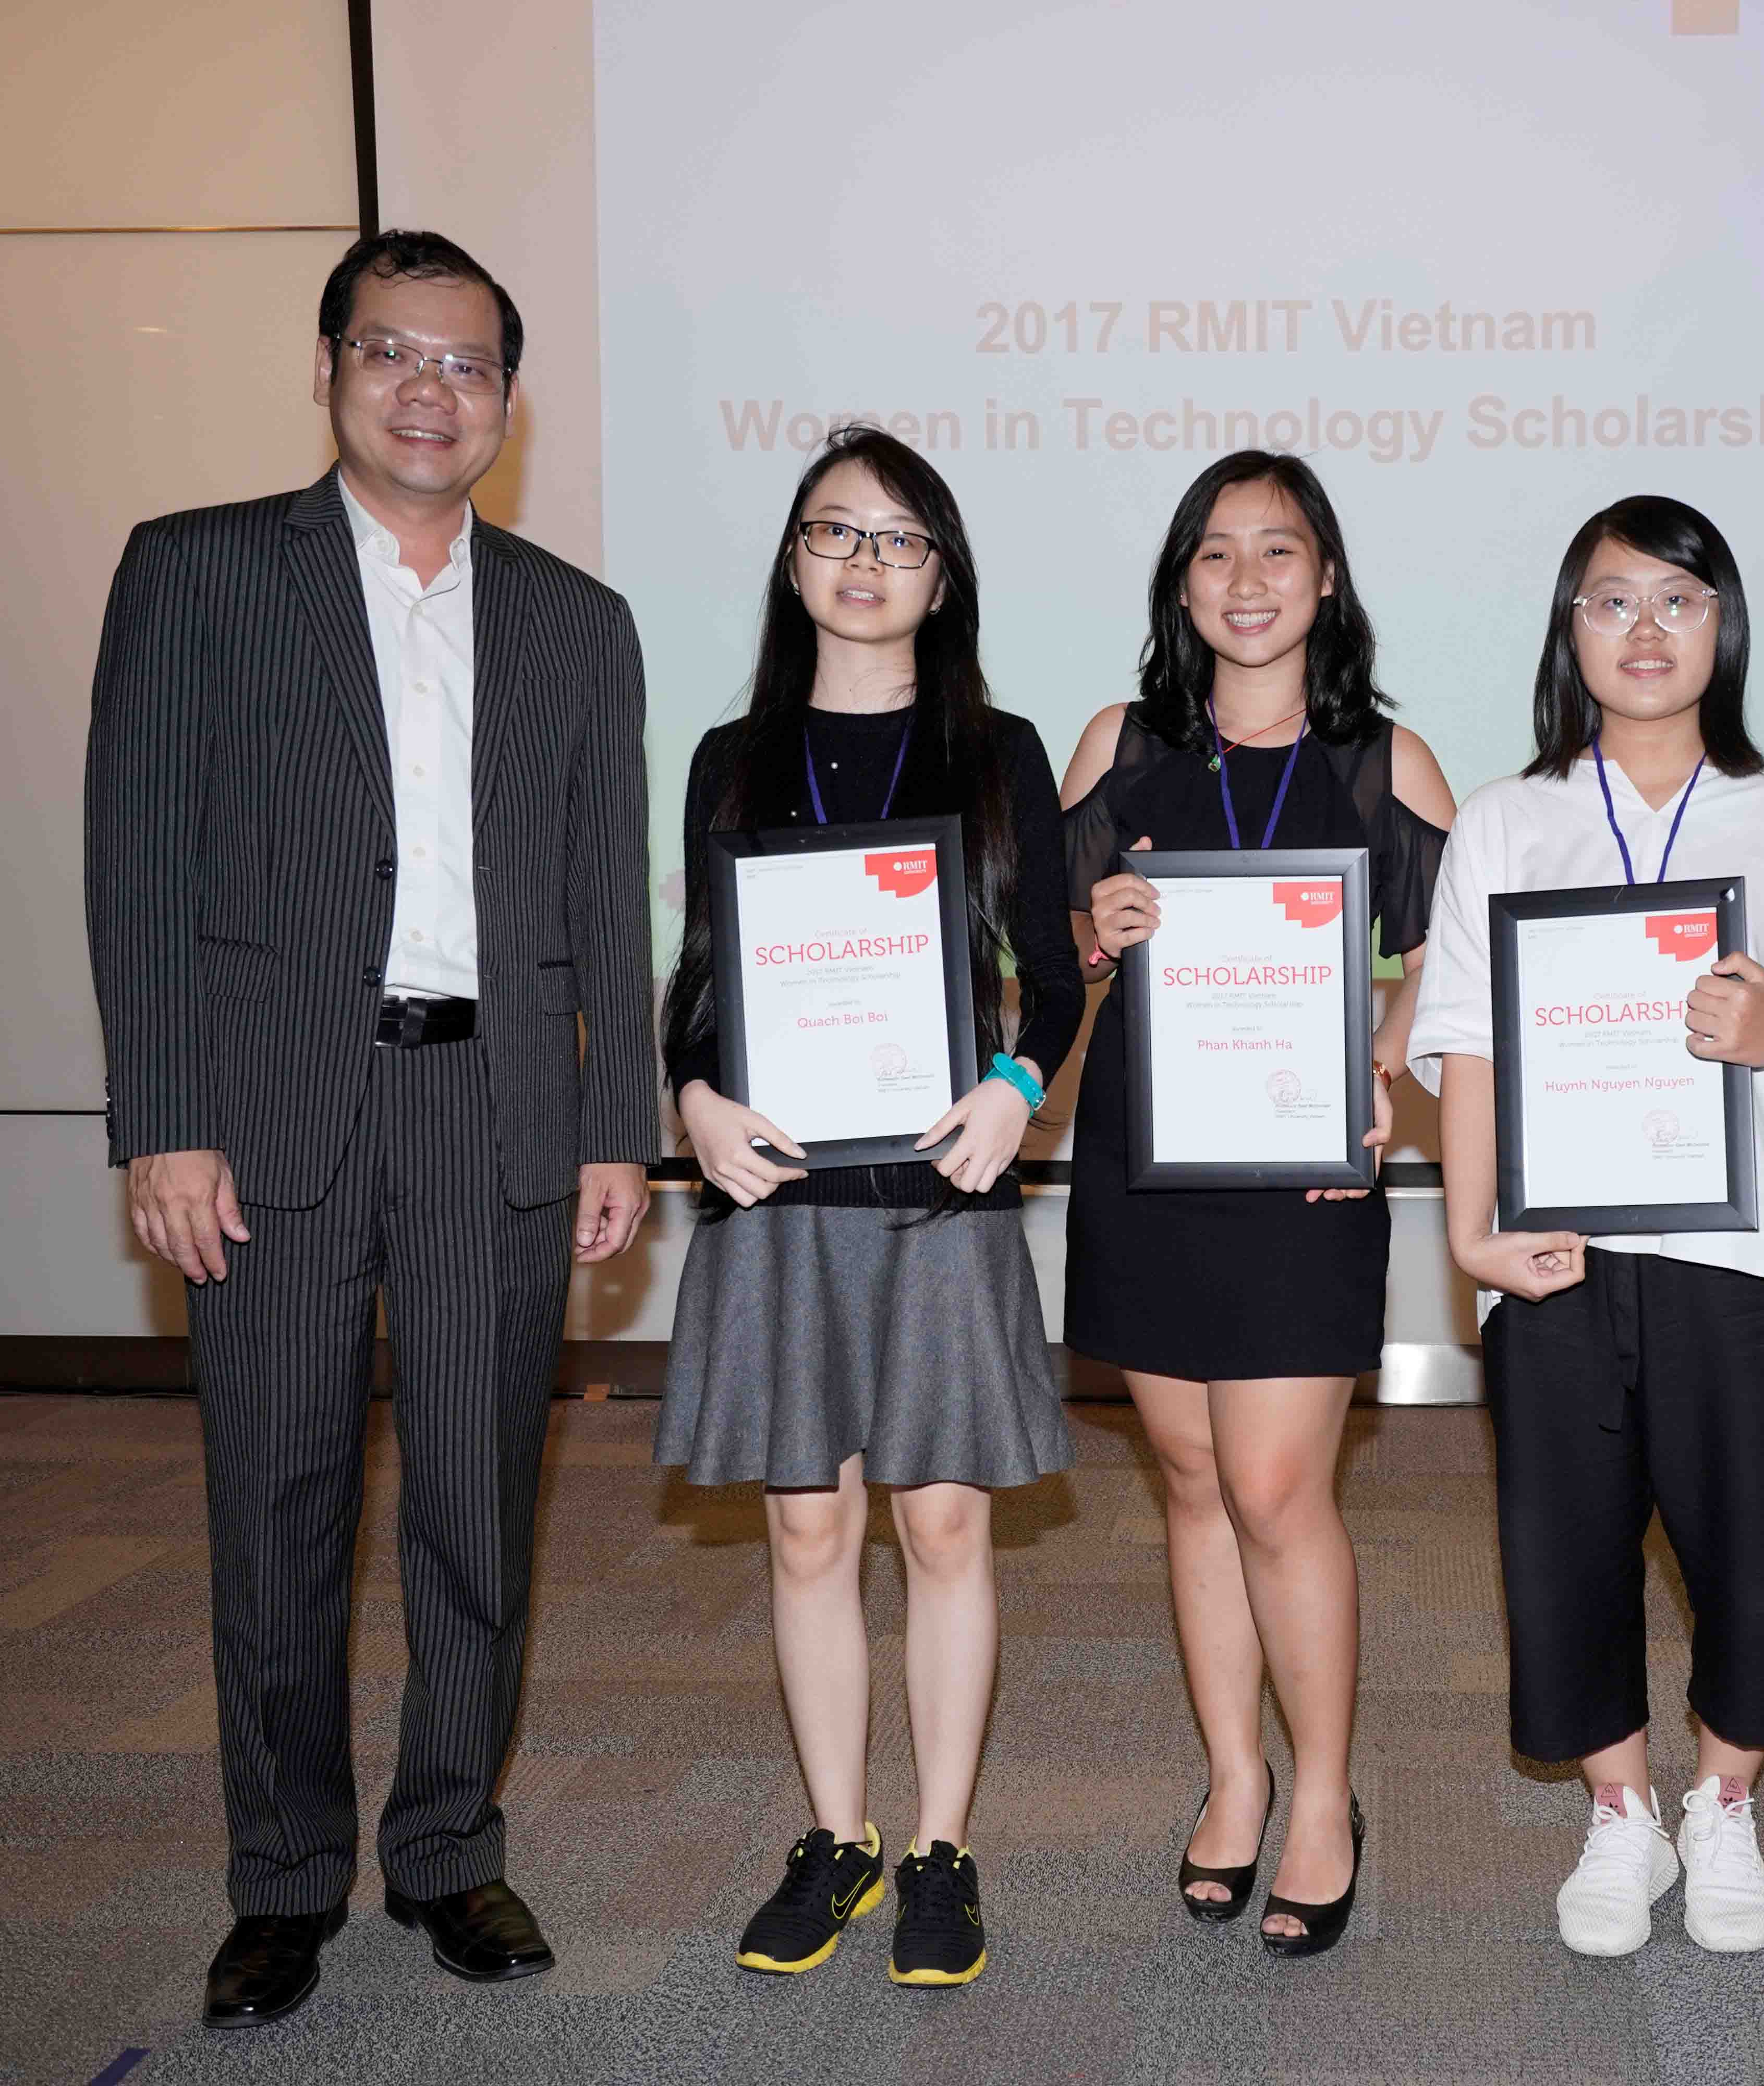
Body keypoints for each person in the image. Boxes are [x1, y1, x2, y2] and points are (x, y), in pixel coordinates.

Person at [83, 229, 655, 2030]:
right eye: (394, 352)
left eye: (470, 363)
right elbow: (138, 861)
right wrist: (164, 1118)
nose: (432, 390)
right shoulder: (196, 575)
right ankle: (280, 1881)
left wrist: (614, 1124)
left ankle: (447, 1851)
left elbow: (603, 900)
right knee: (277, 1501)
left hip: (496, 1109)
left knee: (482, 1504)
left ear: (510, 397)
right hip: (264, 1117)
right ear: (329, 368)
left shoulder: (577, 618)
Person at [1406, 496, 1764, 1959]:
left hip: (1744, 1255)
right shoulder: (1507, 818)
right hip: (1557, 1251)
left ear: (1721, 629)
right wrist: (1470, 1238)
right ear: (1572, 632)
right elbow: (1468, 1040)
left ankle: (1725, 1803)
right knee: (1563, 1539)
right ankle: (1620, 1813)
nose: (1647, 631)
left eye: (1679, 601)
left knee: (1750, 1538)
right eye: (1613, 602)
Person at [656, 426, 1082, 1990]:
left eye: (901, 540)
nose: (864, 562)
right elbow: (703, 984)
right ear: (792, 562)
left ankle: (941, 1846)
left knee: (948, 1520)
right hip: (776, 1192)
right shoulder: (730, 759)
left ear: (942, 577)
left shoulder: (1002, 748)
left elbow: (1050, 964)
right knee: (806, 1521)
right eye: (835, 533)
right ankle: (835, 1834)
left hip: (939, 1185)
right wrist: (690, 1095)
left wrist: (1016, 1088)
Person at [1057, 451, 1455, 1955]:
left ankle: (1323, 1798)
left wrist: (1386, 1052)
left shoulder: (1386, 763)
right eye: (1215, 556)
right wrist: (1093, 929)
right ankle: (1233, 1776)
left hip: (1298, 1167)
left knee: (1282, 1489)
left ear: (1327, 579)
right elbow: (1053, 948)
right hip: (1151, 1161)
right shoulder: (1122, 743)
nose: (1245, 582)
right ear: (1182, 585)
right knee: (1188, 1477)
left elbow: (1462, 951)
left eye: (1277, 553)